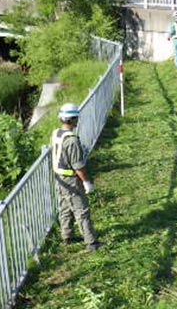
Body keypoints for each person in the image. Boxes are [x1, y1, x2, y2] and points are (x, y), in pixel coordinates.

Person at [51, 103, 103, 252]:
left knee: (65, 207)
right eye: (77, 118)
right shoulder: (72, 140)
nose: (78, 121)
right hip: (71, 179)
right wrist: (86, 182)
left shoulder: (56, 133)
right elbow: (78, 166)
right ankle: (91, 242)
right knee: (82, 210)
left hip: (59, 177)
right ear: (73, 119)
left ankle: (67, 236)